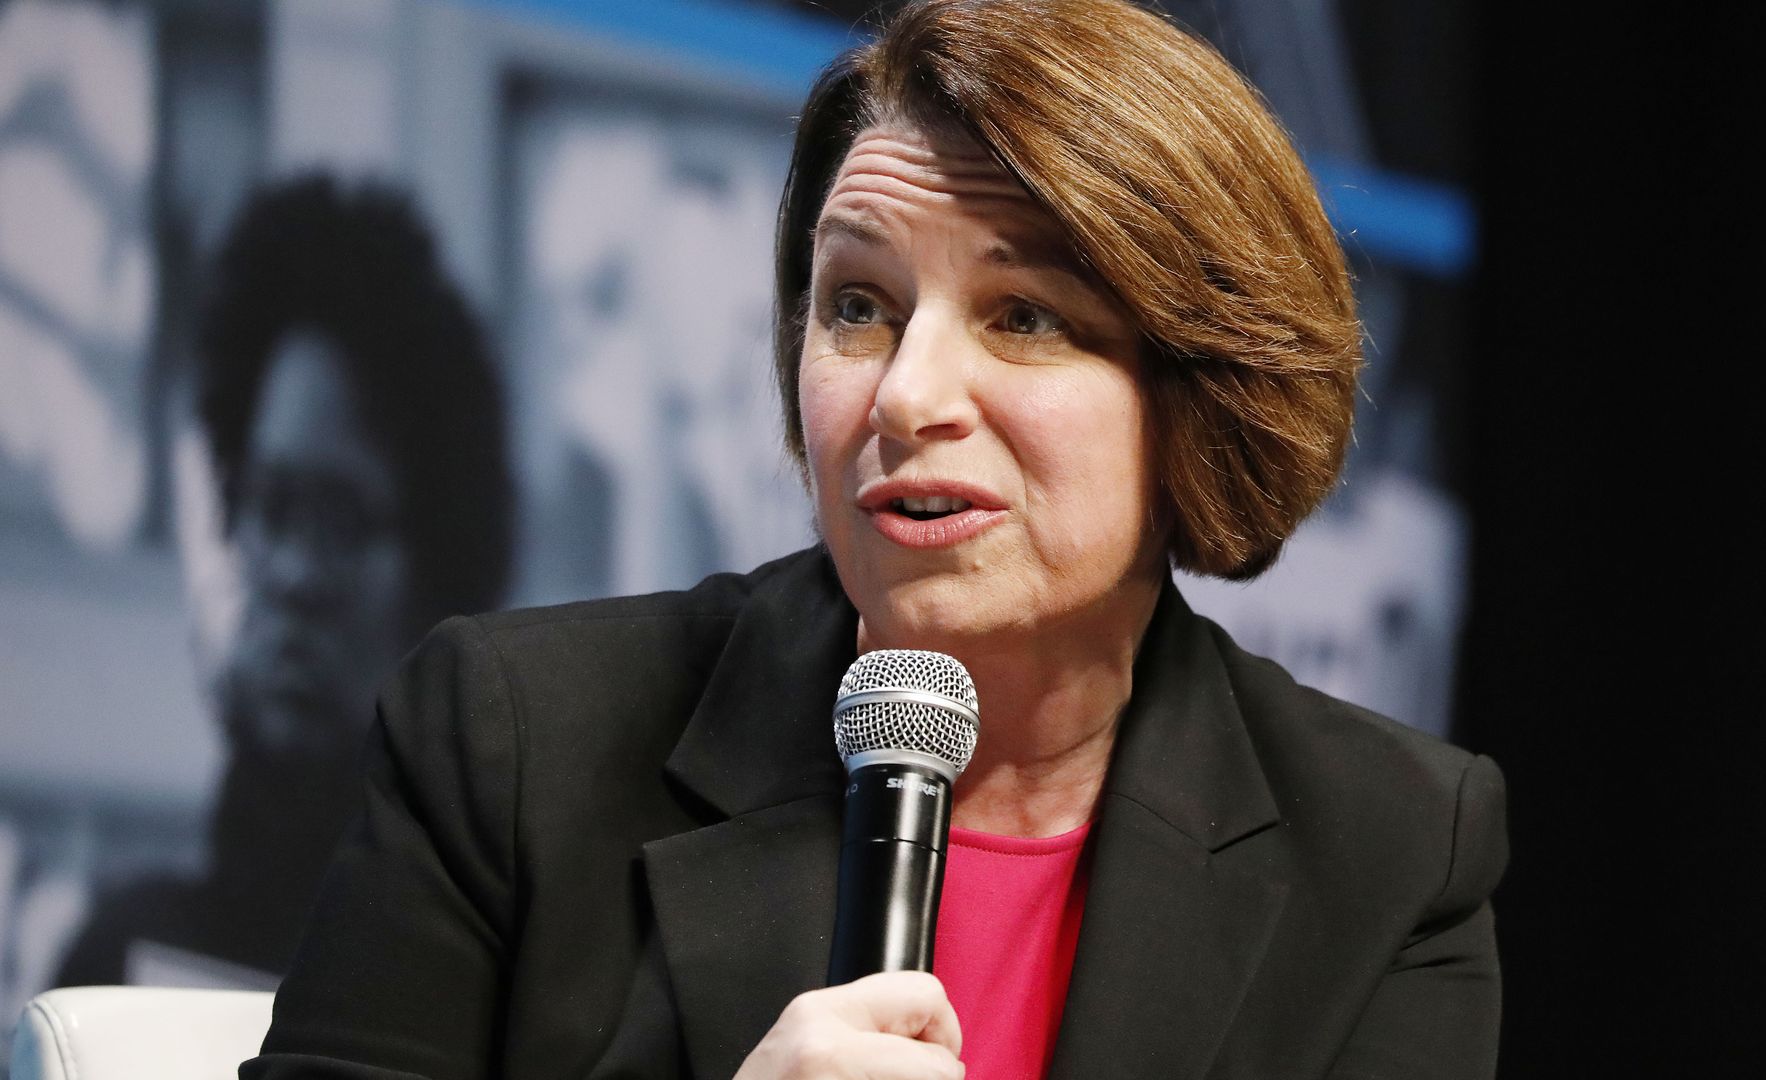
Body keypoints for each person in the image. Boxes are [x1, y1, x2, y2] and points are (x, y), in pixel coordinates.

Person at [246, 1, 1505, 1077]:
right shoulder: (510, 744)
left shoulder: (1388, 849)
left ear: (1204, 397)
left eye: (1023, 316)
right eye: (858, 306)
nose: (904, 396)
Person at [55, 176, 514, 988]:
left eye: (343, 520)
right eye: (271, 506)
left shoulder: (486, 993)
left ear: (438, 573)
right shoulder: (115, 973)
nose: (297, 574)